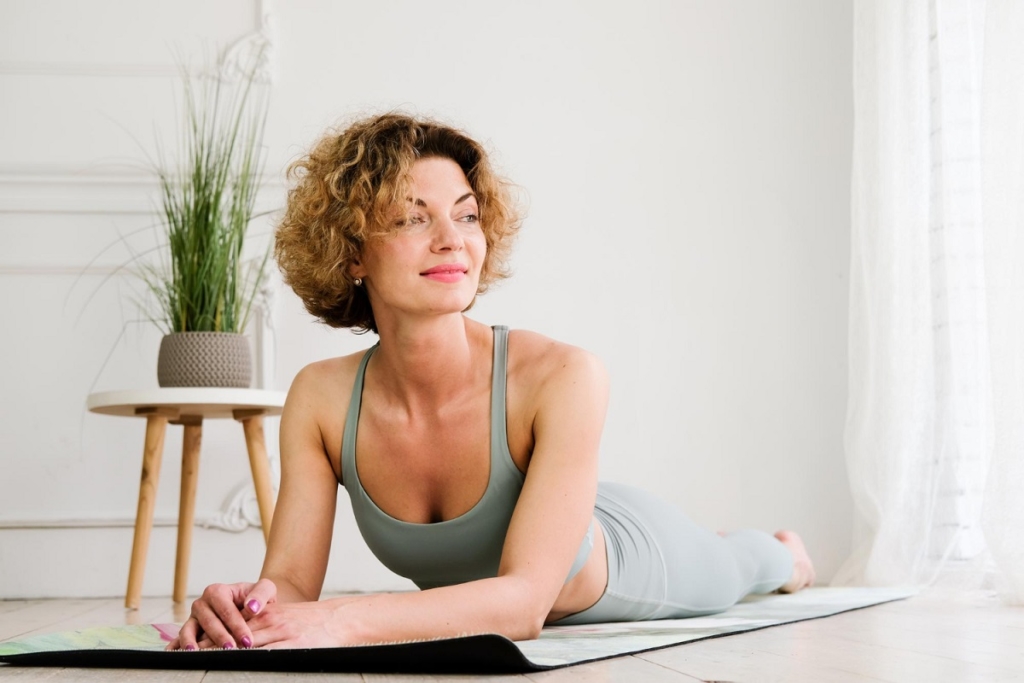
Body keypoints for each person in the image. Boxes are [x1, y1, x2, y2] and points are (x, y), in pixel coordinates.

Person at [167, 113, 815, 651]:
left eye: (466, 215)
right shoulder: (322, 397)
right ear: (353, 251)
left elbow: (526, 604)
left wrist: (338, 619)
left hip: (635, 553)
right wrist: (242, 608)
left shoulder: (564, 375)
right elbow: (290, 586)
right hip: (559, 505)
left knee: (742, 565)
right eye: (413, 217)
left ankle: (786, 552)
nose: (452, 239)